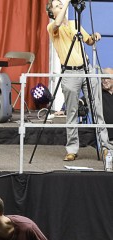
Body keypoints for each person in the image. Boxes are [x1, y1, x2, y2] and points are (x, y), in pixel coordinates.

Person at [46, 0, 113, 161]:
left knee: (97, 109)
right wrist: (67, 2)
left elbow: (88, 40)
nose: (61, 6)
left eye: (61, 4)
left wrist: (94, 37)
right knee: (72, 112)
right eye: (57, 6)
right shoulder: (52, 28)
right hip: (70, 73)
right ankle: (72, 149)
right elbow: (57, 22)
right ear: (52, 12)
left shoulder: (74, 23)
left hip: (87, 69)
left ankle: (105, 147)